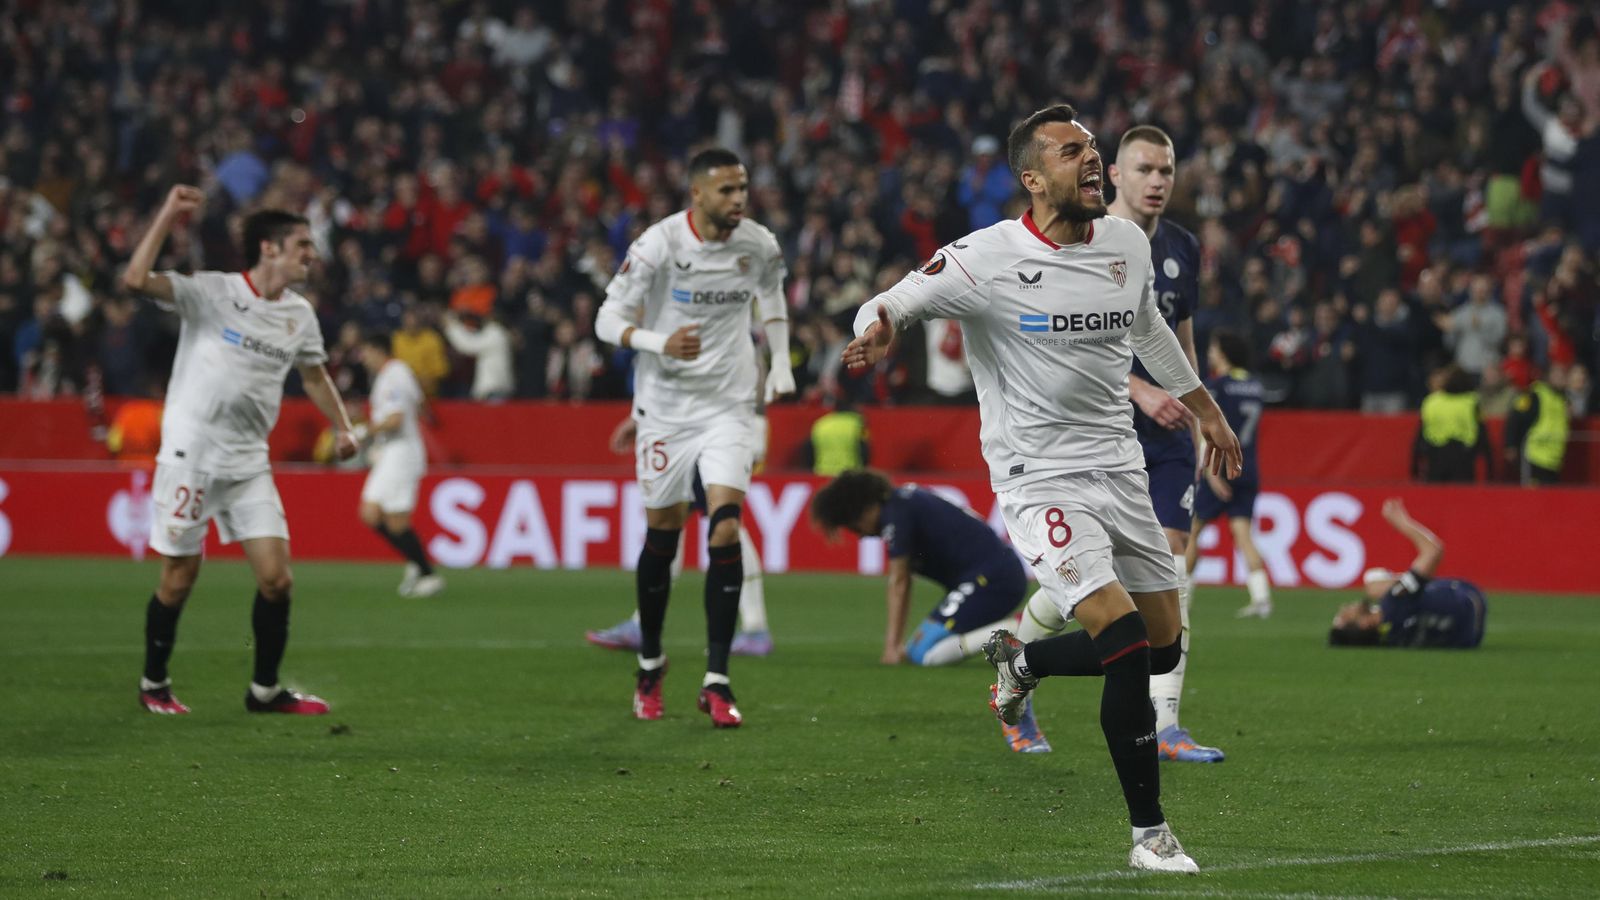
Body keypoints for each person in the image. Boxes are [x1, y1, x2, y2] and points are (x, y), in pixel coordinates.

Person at [843, 105, 1242, 873]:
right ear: (1032, 177)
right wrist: (879, 325)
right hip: (1039, 479)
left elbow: (1149, 330)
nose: (1091, 163)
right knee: (1124, 644)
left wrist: (1205, 410)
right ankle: (1150, 835)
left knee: (1161, 650)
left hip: (1120, 466)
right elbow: (892, 300)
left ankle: (1020, 663)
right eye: (1073, 153)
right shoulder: (986, 257)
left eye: (1094, 151)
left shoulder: (1124, 242)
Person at [121, 185, 359, 716]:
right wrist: (166, 213)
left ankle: (264, 691)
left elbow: (315, 375)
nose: (311, 256)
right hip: (192, 455)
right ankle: (154, 683)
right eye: (302, 245)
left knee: (277, 579)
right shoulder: (213, 292)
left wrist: (343, 426)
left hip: (249, 461)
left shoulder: (299, 315)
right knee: (179, 577)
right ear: (269, 248)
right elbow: (135, 280)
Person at [594, 147, 795, 728]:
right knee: (662, 533)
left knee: (725, 523)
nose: (739, 199)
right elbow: (606, 320)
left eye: (743, 188)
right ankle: (651, 663)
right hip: (665, 410)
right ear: (698, 195)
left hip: (729, 404)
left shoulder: (758, 243)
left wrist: (779, 361)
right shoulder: (659, 245)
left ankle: (717, 679)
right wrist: (657, 343)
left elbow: (774, 299)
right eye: (727, 190)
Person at [810, 470, 1048, 754]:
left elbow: (899, 581)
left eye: (854, 525)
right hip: (994, 576)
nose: (860, 535)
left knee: (926, 655)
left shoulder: (896, 512)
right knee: (920, 652)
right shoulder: (904, 501)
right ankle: (1007, 632)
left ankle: (1017, 629)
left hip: (992, 580)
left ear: (864, 508)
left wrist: (891, 647)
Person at [585, 414, 774, 658]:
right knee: (688, 519)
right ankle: (643, 624)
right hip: (712, 426)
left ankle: (755, 629)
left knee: (712, 520)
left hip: (708, 428)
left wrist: (639, 417)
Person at [1183, 330, 1273, 618]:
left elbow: (1206, 429)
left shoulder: (1217, 386)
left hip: (1220, 466)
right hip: (1248, 467)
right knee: (1243, 534)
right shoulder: (1256, 386)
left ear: (1224, 353)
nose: (1210, 353)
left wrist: (1211, 474)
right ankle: (1262, 598)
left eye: (1214, 348)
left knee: (1192, 531)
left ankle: (1182, 597)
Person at [355, 331, 444, 598]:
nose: (362, 358)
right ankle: (416, 564)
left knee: (395, 521)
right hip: (391, 451)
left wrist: (365, 432)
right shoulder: (394, 375)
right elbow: (420, 405)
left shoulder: (394, 375)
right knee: (370, 513)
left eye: (365, 351)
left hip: (401, 453)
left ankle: (427, 574)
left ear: (377, 350)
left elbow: (395, 419)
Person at [1328, 499, 1486, 649]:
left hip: (1468, 639)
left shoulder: (1392, 639)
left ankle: (1403, 581)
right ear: (1364, 624)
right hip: (1470, 600)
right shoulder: (1394, 601)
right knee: (1375, 585)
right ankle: (1402, 580)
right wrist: (1402, 522)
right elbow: (1433, 551)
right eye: (1344, 616)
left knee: (1378, 585)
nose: (1344, 607)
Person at [1412, 364, 1494, 483]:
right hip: (1463, 457)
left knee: (1435, 497)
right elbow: (1482, 433)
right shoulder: (1471, 401)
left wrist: (1414, 463)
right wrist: (1489, 465)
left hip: (1436, 455)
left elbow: (1421, 433)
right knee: (1462, 497)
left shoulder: (1432, 401)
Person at [1503, 362, 1570, 485]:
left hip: (1554, 460)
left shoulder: (1562, 400)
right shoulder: (1535, 395)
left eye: (1564, 375)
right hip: (1535, 456)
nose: (1562, 378)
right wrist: (1510, 444)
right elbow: (1515, 418)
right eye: (1558, 375)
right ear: (1548, 376)